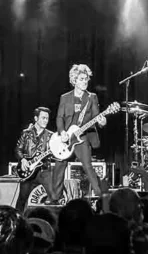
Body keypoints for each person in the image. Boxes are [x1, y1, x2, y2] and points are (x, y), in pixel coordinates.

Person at [48, 64, 106, 204]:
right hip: (66, 138)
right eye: (81, 79)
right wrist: (62, 132)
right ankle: (55, 198)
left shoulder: (92, 97)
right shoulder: (65, 97)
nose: (84, 81)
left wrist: (102, 121)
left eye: (86, 79)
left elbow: (97, 117)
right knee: (59, 165)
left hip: (82, 137)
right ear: (74, 80)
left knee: (88, 166)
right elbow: (59, 117)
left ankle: (102, 197)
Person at [14, 107, 55, 211]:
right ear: (36, 118)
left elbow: (55, 154)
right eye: (43, 118)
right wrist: (23, 159)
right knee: (22, 199)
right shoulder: (26, 133)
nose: (46, 120)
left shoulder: (51, 135)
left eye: (47, 118)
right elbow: (18, 149)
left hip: (43, 169)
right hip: (28, 171)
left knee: (54, 197)